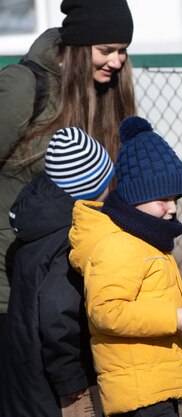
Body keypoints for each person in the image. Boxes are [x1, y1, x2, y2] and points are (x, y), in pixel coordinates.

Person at [0, 0, 136, 336]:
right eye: (107, 50)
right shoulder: (23, 87)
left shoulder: (104, 92)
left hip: (69, 282)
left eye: (123, 52)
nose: (117, 61)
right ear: (78, 45)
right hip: (12, 283)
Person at [69, 116, 182, 417]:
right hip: (139, 391)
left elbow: (151, 294)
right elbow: (106, 311)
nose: (172, 207)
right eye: (163, 199)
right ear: (136, 197)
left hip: (155, 380)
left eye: (176, 198)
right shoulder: (118, 245)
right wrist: (172, 317)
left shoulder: (144, 237)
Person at [0, 127, 115, 417]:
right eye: (107, 182)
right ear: (91, 188)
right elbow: (56, 310)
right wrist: (69, 376)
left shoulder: (34, 226)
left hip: (24, 367)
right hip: (53, 382)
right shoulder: (69, 240)